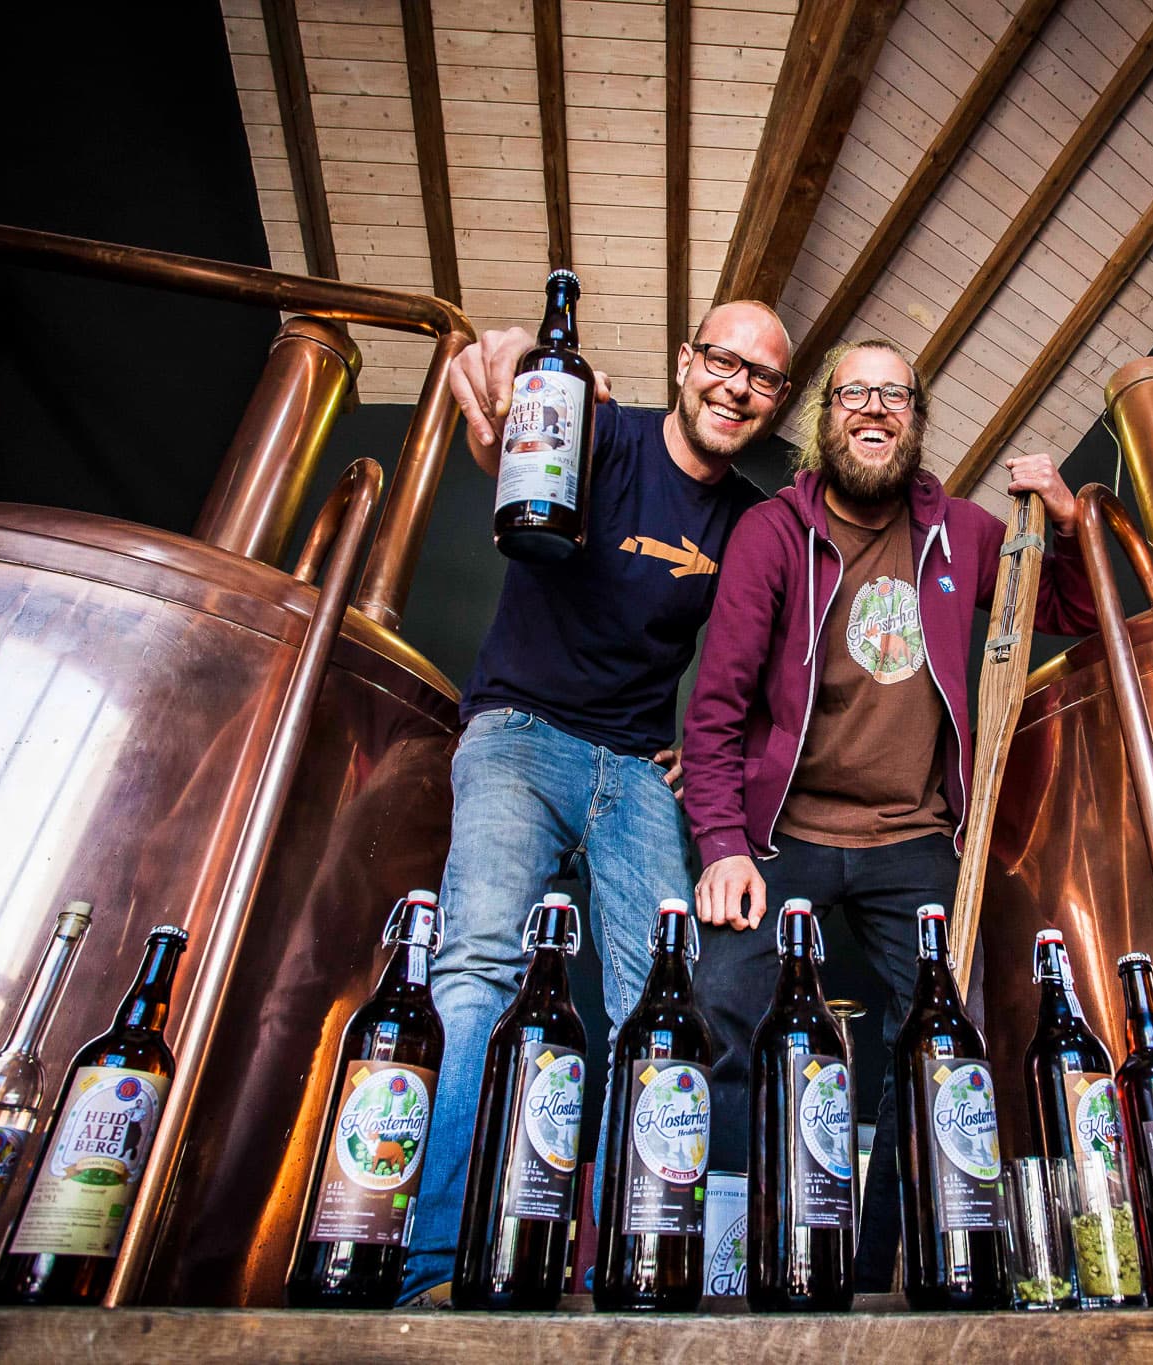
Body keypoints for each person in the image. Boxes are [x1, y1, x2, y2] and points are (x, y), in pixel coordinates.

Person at [680, 338, 1097, 1287]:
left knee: (944, 1043)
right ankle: (725, 1256)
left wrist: (1068, 523)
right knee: (721, 1010)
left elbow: (1065, 600)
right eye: (855, 392)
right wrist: (722, 846)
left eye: (895, 395)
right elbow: (716, 710)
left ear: (915, 417)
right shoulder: (774, 533)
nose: (875, 408)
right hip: (783, 835)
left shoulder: (967, 533)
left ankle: (877, 1270)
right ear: (826, 416)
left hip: (913, 836)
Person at [400, 302, 794, 1304]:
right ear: (684, 361)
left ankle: (631, 1264)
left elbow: (767, 668)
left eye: (760, 376)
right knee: (478, 966)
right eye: (720, 361)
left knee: (664, 1003)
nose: (735, 385)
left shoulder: (752, 518)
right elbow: (511, 425)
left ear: (774, 400)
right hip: (517, 736)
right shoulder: (602, 433)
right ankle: (434, 1268)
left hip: (631, 769)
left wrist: (711, 762)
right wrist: (506, 369)